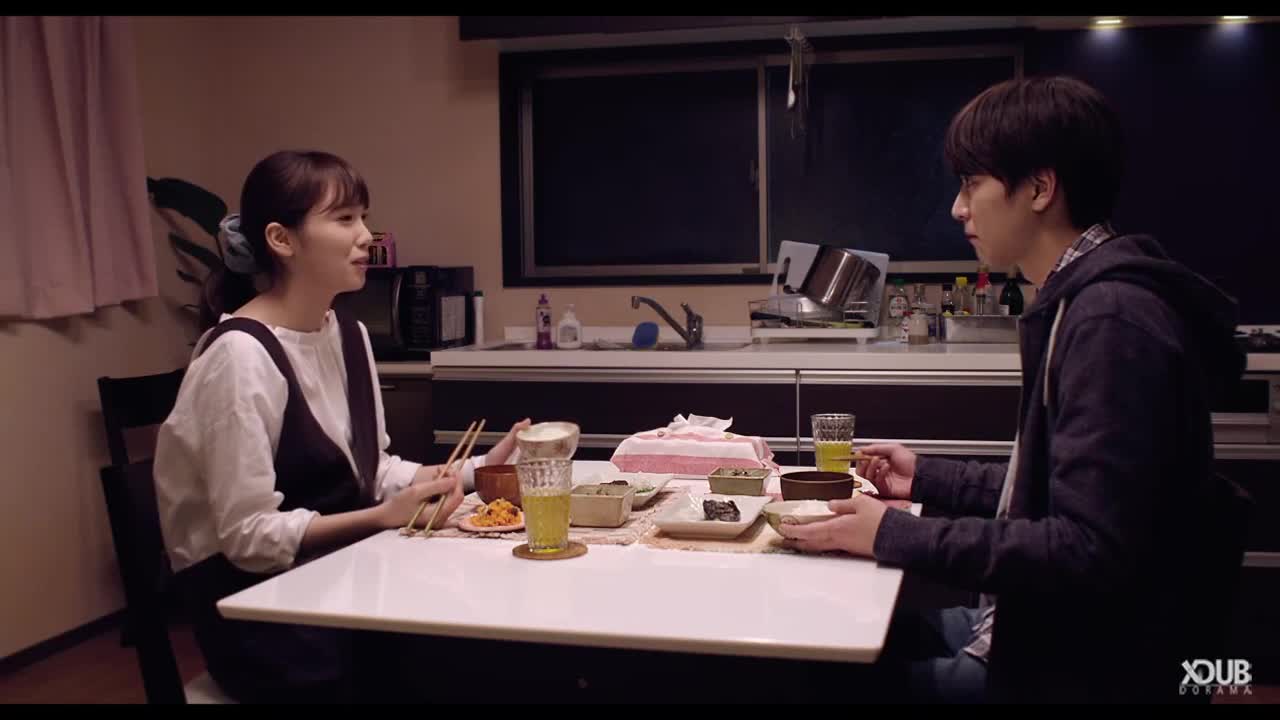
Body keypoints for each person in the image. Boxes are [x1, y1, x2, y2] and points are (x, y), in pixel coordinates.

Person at [779, 76, 1250, 703]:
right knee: (831, 642)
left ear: (1039, 188)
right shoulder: (1083, 300)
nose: (959, 208)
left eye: (972, 183)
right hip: (1029, 626)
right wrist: (926, 478)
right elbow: (1065, 491)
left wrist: (893, 533)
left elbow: (1086, 546)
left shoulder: (1109, 319)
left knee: (809, 681)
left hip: (1078, 666)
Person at [153, 149, 530, 703]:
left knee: (488, 636)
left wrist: (481, 468)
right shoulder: (239, 357)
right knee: (454, 664)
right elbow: (247, 537)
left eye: (364, 218)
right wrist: (381, 517)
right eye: (345, 219)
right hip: (262, 615)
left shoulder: (346, 334)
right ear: (281, 239)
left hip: (340, 580)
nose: (366, 236)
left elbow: (372, 470)